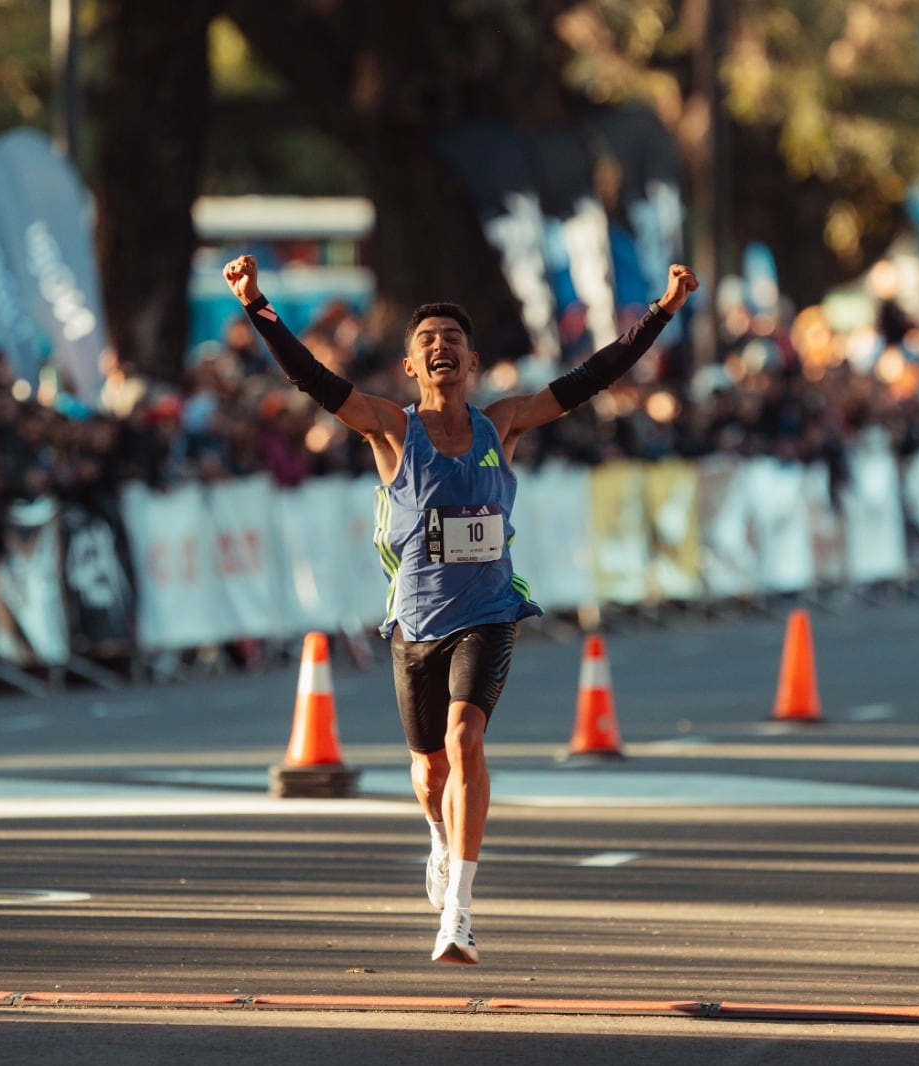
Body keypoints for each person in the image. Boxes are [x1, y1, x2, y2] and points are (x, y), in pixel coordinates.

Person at [223, 254, 699, 965]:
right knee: (427, 773)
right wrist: (258, 304)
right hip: (415, 623)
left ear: (472, 361)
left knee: (465, 739)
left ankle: (460, 911)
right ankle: (441, 842)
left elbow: (592, 377)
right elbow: (315, 383)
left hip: (489, 612)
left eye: (452, 339)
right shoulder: (390, 429)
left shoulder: (502, 425)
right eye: (427, 342)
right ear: (412, 366)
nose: (440, 346)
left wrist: (662, 310)